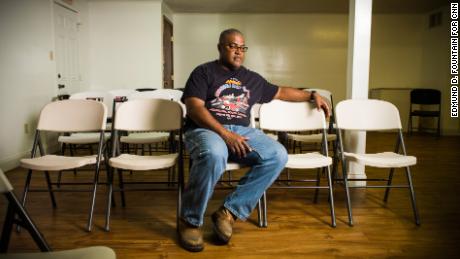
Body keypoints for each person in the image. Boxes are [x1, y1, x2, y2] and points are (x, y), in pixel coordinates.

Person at [178, 28, 330, 252]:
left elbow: (281, 92)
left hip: (242, 131)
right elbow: (194, 108)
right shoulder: (203, 72)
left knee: (278, 155)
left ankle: (229, 212)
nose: (238, 51)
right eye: (232, 46)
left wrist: (310, 94)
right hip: (206, 129)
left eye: (242, 47)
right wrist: (225, 134)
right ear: (220, 47)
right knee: (214, 153)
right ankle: (190, 221)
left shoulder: (252, 79)